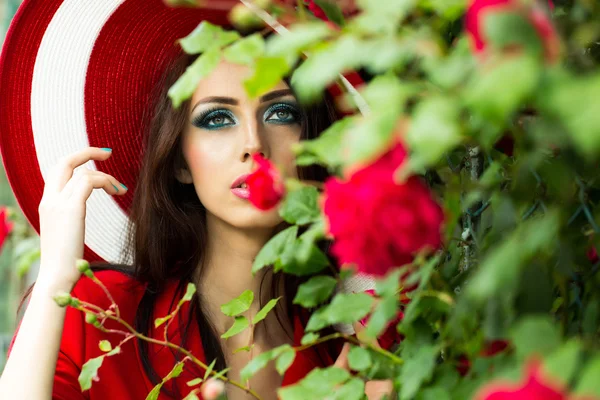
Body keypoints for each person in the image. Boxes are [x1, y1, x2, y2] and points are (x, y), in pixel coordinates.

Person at [0, 0, 393, 399]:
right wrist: (54, 277)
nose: (254, 144)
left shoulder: (347, 352)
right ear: (179, 163)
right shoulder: (97, 315)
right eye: (217, 119)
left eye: (279, 113)